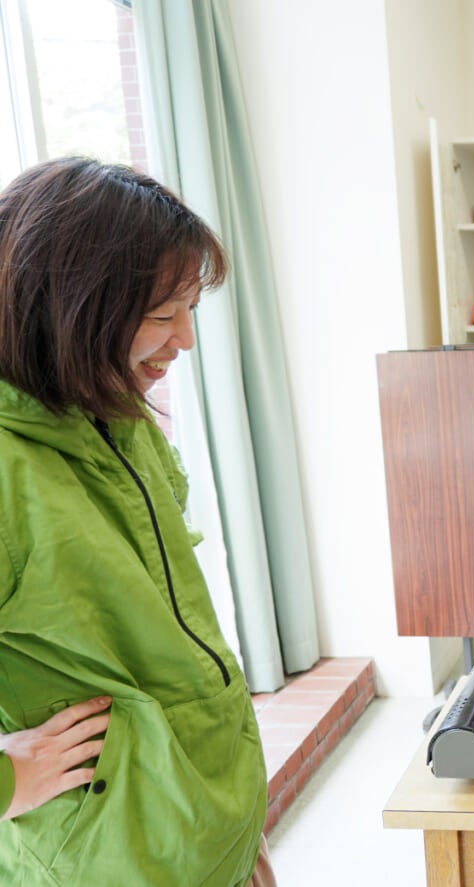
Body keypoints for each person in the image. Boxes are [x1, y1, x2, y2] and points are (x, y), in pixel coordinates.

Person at [0, 158, 273, 884]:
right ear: (70, 305)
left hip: (209, 835)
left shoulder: (112, 411)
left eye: (189, 309)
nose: (183, 339)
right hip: (111, 862)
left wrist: (242, 830)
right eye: (160, 315)